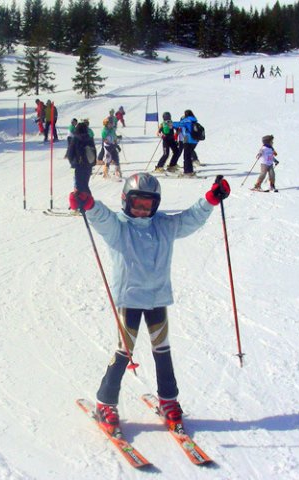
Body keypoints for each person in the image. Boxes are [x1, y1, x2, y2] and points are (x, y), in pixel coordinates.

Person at [67, 173, 231, 434]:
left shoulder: (164, 225)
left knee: (162, 350)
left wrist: (211, 199)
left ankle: (168, 400)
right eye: (137, 204)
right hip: (129, 299)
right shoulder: (119, 227)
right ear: (125, 201)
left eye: (148, 205)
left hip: (157, 297)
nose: (142, 210)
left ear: (156, 205)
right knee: (124, 351)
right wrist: (88, 205)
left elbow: (190, 219)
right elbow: (102, 218)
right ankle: (106, 402)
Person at [66, 121, 97, 195]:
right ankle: (86, 201)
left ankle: (83, 202)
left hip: (79, 165)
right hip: (88, 165)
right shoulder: (89, 138)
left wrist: (73, 162)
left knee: (79, 185)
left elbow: (70, 152)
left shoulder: (76, 139)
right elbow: (94, 151)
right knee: (85, 184)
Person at [171, 110, 199, 176]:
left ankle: (188, 172)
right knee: (188, 156)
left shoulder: (187, 120)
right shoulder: (194, 120)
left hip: (188, 140)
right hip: (195, 140)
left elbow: (179, 124)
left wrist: (170, 123)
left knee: (186, 157)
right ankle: (190, 171)